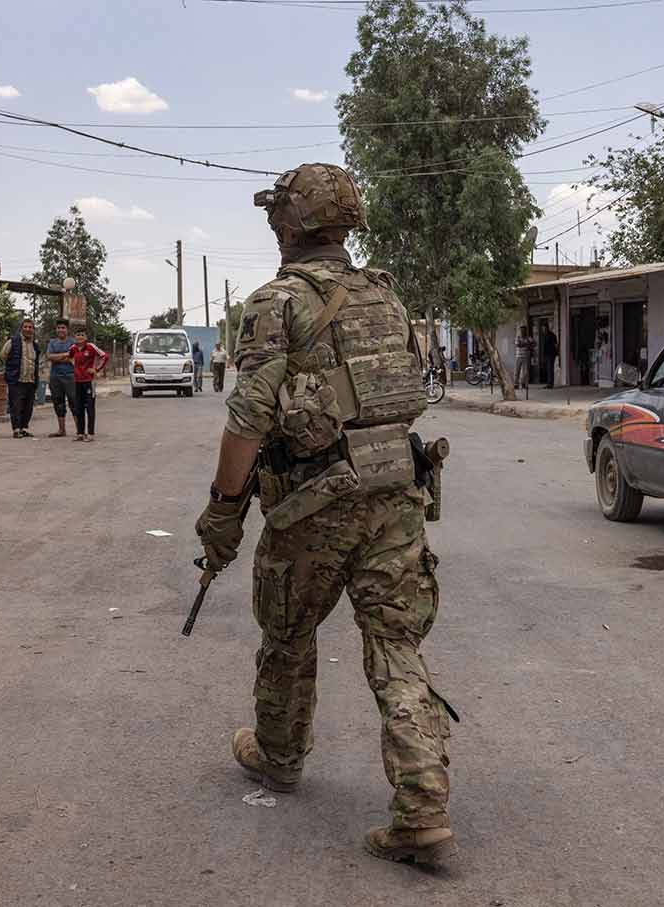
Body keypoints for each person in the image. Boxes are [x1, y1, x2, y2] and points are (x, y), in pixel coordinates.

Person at [194, 162, 455, 865]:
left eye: (276, 212)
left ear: (290, 222)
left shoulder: (275, 302)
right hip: (395, 493)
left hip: (315, 503)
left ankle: (279, 754)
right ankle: (423, 806)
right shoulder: (386, 297)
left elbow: (249, 416)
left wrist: (223, 511)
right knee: (396, 644)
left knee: (286, 631)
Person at [0, 318, 43, 438]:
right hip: (16, 379)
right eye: (26, 327)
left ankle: (24, 428)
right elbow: (3, 355)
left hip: (30, 380)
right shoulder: (13, 342)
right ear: (21, 328)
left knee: (28, 407)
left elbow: (36, 363)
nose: (28, 329)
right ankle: (16, 429)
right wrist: (10, 370)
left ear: (33, 330)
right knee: (16, 406)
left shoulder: (35, 345)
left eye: (30, 327)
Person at [67, 327, 109, 441]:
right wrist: (75, 369)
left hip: (89, 382)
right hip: (77, 382)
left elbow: (105, 356)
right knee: (78, 408)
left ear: (86, 337)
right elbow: (69, 357)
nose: (80, 337)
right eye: (78, 335)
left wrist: (96, 369)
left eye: (82, 335)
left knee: (90, 408)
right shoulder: (73, 348)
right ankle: (80, 433)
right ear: (74, 337)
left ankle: (90, 434)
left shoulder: (91, 347)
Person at [45, 319, 75, 438]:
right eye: (59, 328)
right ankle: (62, 430)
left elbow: (74, 358)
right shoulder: (52, 342)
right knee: (58, 403)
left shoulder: (73, 342)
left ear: (67, 329)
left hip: (71, 376)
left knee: (74, 402)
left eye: (63, 328)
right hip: (55, 377)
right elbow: (49, 356)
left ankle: (80, 430)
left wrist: (57, 357)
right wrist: (66, 355)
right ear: (56, 329)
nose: (61, 330)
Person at [514, 324, 535, 389]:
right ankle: (516, 384)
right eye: (521, 330)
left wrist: (528, 345)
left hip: (526, 356)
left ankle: (524, 384)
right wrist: (527, 344)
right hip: (518, 356)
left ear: (526, 331)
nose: (522, 332)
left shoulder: (528, 337)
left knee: (525, 372)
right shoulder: (518, 337)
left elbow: (534, 343)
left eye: (524, 330)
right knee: (517, 371)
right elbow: (518, 345)